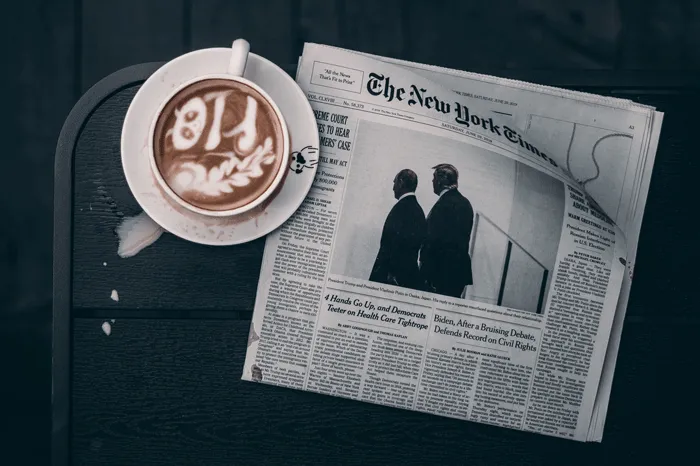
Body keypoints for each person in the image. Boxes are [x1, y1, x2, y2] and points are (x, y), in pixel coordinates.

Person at [420, 163, 474, 298]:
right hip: (457, 273)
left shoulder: (444, 204)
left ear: (441, 180)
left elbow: (434, 240)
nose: (432, 181)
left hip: (439, 274)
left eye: (434, 178)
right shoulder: (465, 203)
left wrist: (425, 270)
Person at [369, 169, 427, 290]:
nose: (393, 188)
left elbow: (397, 246)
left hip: (392, 278)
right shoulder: (417, 210)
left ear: (401, 183)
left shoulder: (402, 208)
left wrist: (391, 274)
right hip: (405, 277)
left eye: (394, 183)